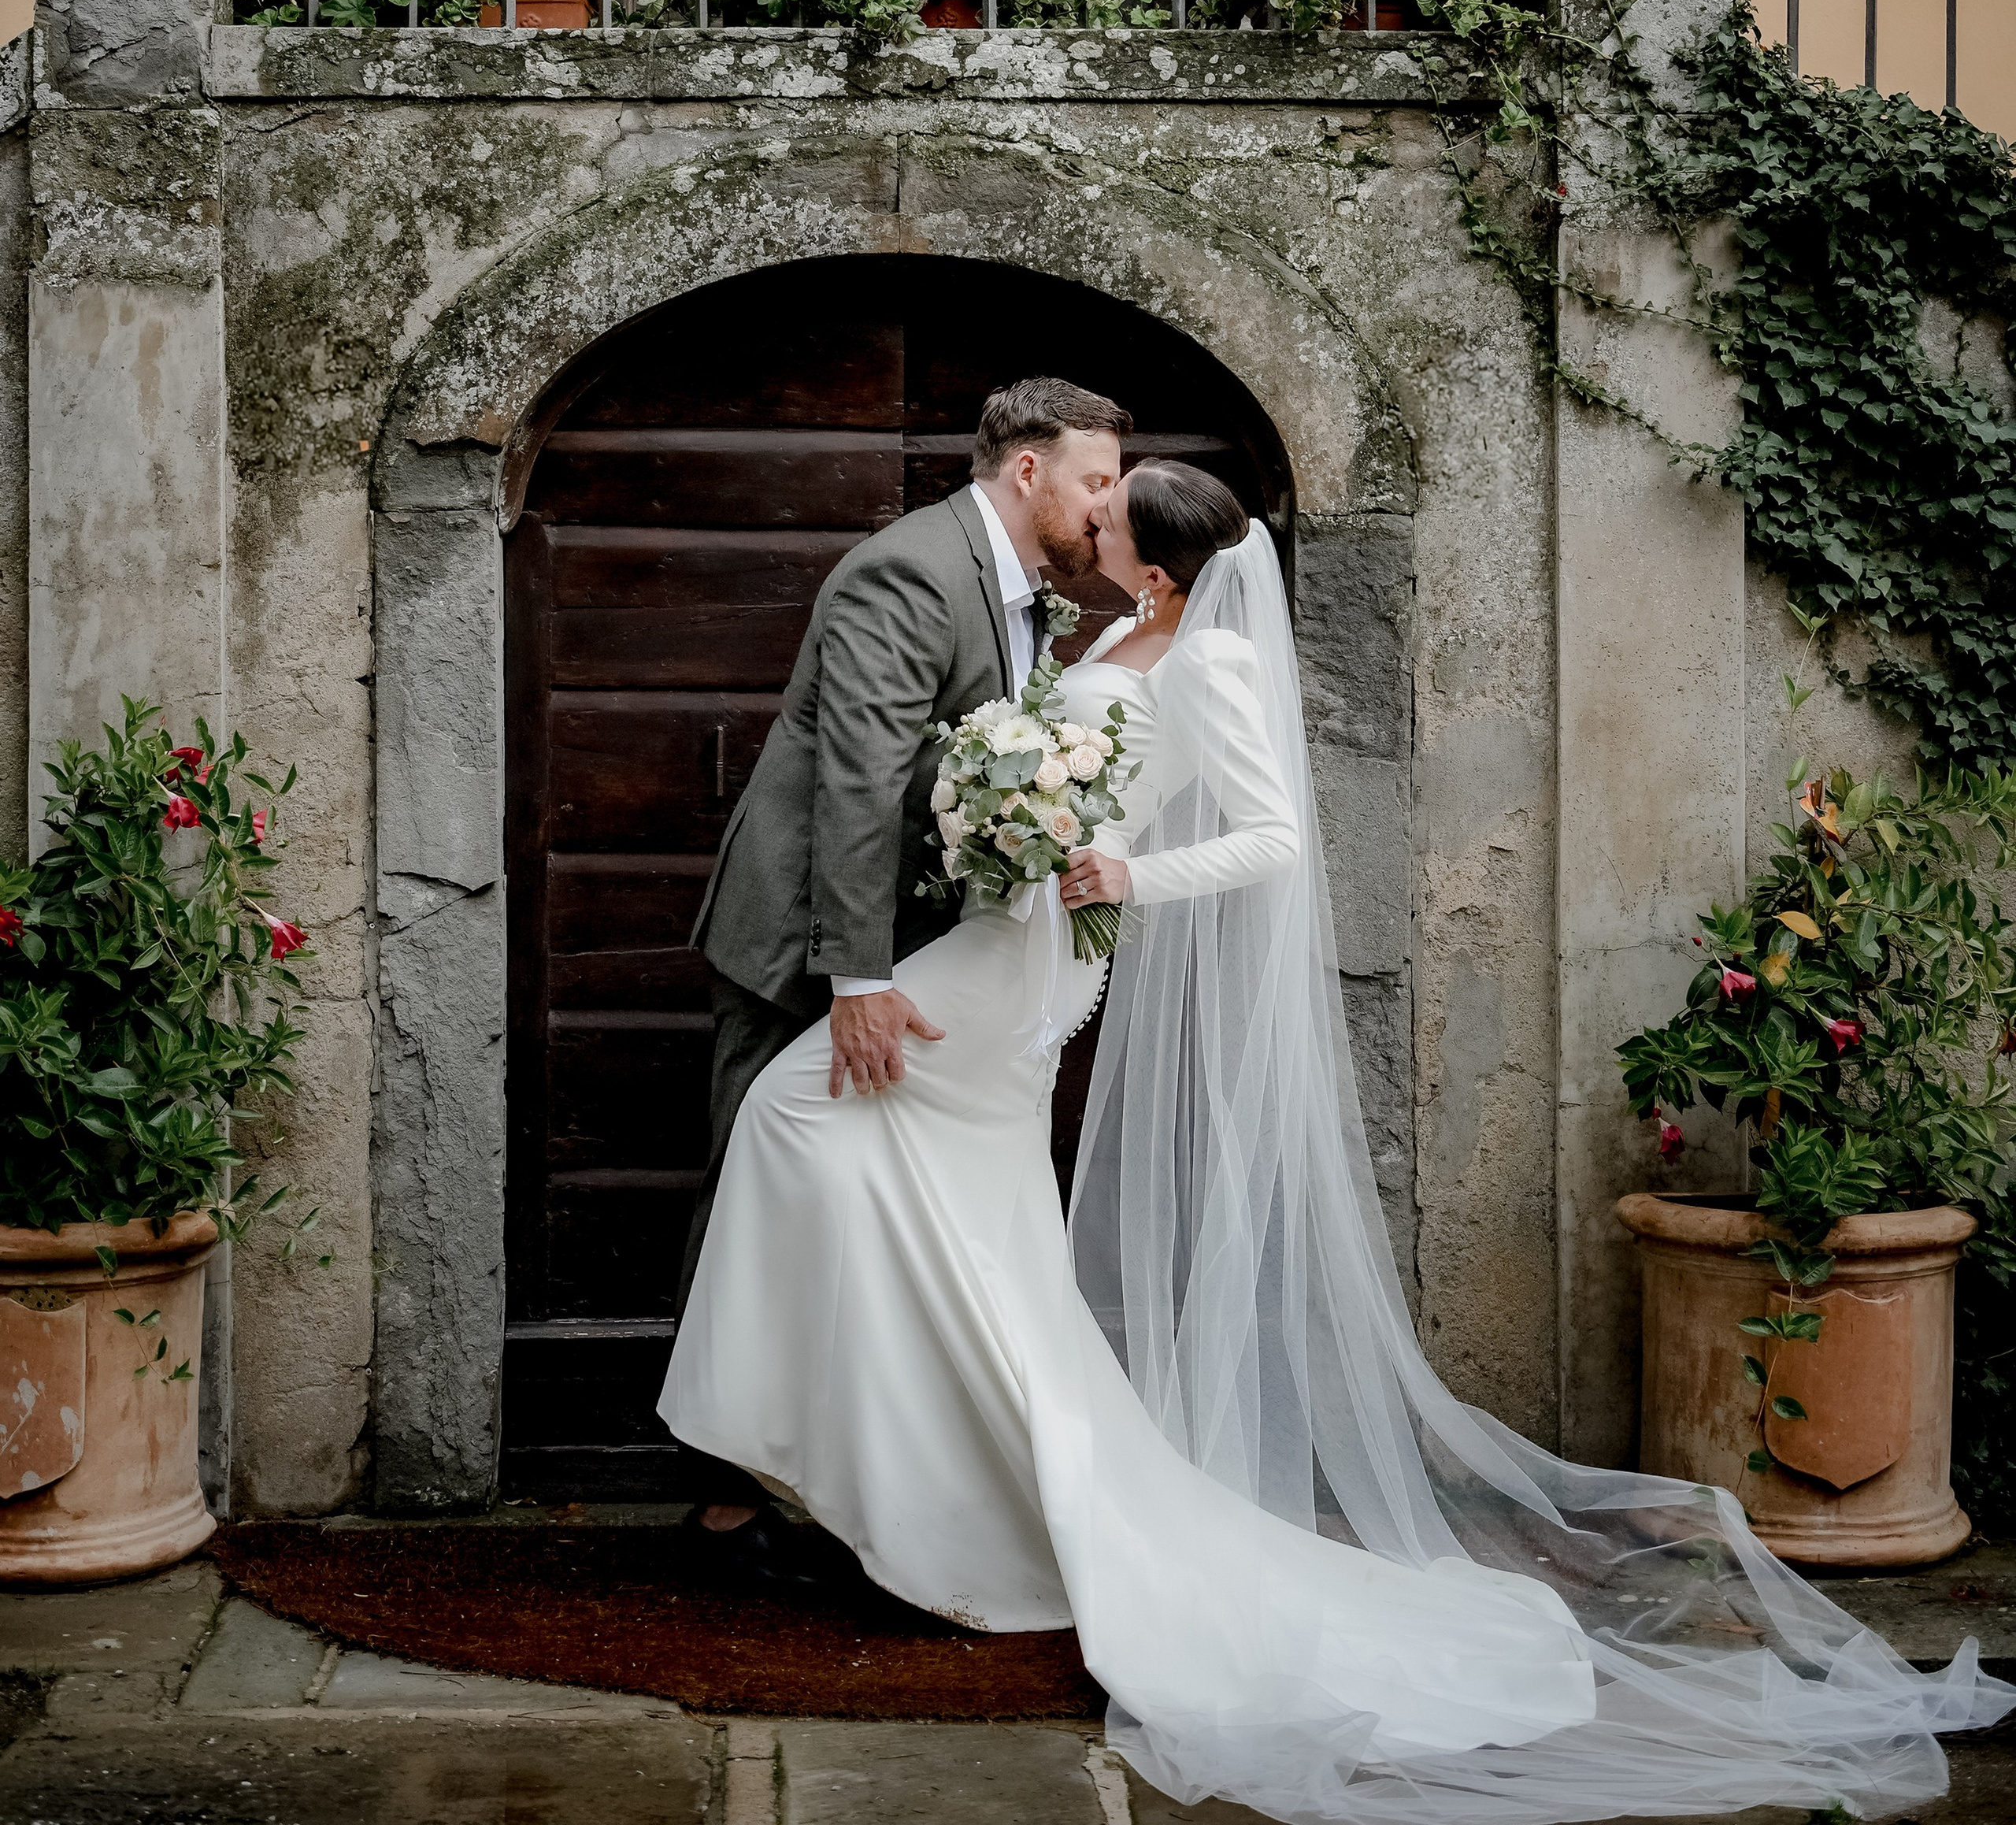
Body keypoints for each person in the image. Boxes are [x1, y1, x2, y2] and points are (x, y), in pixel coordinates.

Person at [664, 460, 2010, 1820]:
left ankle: (880, 1456)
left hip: (1043, 961)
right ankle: (930, 1465)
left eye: (1111, 503)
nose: (1093, 511)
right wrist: (999, 820)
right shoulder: (1107, 633)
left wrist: (1126, 872)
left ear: (1160, 556)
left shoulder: (1213, 661)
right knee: (935, 1195)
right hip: (1002, 934)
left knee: (795, 1118)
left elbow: (1266, 840)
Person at [673, 375, 1129, 1589]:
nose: (1108, 506)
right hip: (803, 949)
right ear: (1026, 470)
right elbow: (861, 780)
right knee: (758, 1184)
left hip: (908, 953)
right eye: (1095, 480)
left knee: (857, 1208)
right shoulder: (912, 570)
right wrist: (858, 978)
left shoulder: (1033, 591)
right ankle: (725, 1507)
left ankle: (835, 1477)